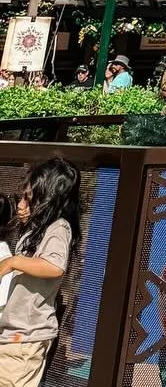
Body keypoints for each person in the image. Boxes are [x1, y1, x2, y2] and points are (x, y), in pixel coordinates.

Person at [0, 155, 80, 387]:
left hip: (26, 337)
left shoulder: (59, 228)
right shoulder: (35, 230)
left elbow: (54, 266)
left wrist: (14, 262)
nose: (21, 205)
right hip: (14, 334)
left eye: (28, 198)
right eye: (21, 197)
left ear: (49, 199)